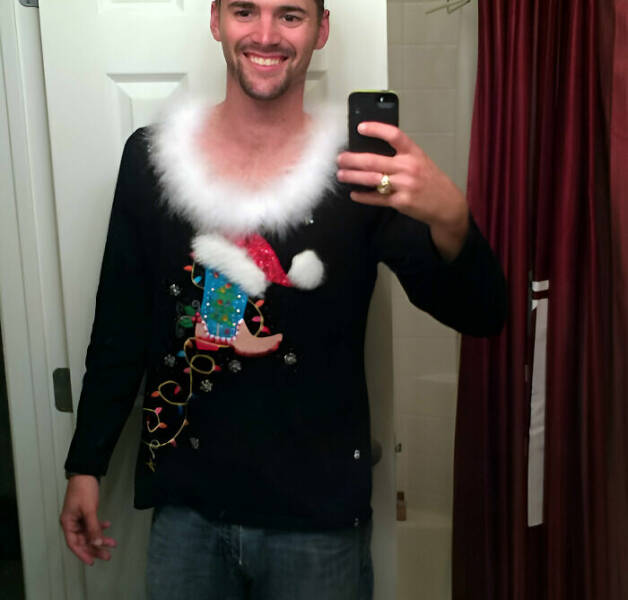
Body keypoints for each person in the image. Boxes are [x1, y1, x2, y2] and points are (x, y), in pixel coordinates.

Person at [60, 0, 507, 598]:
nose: (266, 34)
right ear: (216, 20)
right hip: (186, 513)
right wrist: (85, 464)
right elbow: (120, 324)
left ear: (321, 30)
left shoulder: (357, 171)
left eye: (290, 15)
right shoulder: (150, 159)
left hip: (318, 524)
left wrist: (451, 217)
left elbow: (482, 313)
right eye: (246, 11)